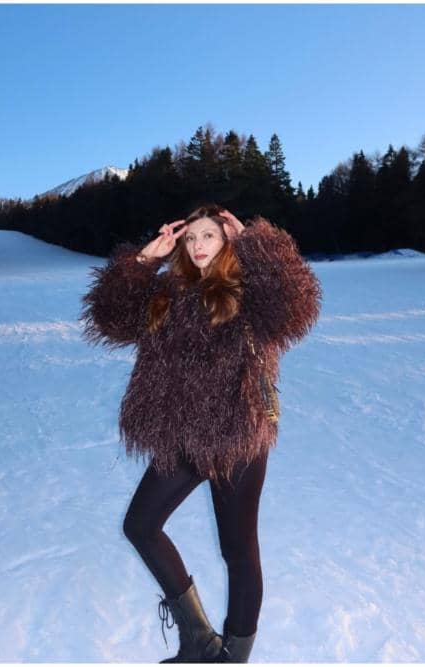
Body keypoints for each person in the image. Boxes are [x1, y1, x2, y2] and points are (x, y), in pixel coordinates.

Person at [82, 204, 321, 662]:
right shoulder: (167, 293)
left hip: (237, 437)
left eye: (209, 236)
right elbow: (109, 320)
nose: (197, 246)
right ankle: (200, 642)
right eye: (190, 238)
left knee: (238, 549)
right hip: (183, 437)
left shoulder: (250, 290)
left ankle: (236, 654)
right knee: (141, 525)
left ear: (227, 240)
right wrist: (142, 264)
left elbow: (297, 306)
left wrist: (257, 244)